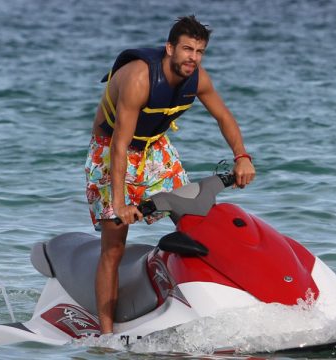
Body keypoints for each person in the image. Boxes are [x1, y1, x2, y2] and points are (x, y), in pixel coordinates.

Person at [85, 15, 255, 335]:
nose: (193, 57)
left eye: (199, 51)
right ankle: (106, 335)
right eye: (187, 49)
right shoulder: (139, 79)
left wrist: (242, 157)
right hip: (111, 151)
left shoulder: (198, 78)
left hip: (155, 147)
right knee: (114, 245)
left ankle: (223, 300)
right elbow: (120, 145)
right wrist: (120, 205)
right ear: (169, 48)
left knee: (198, 221)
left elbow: (223, 116)